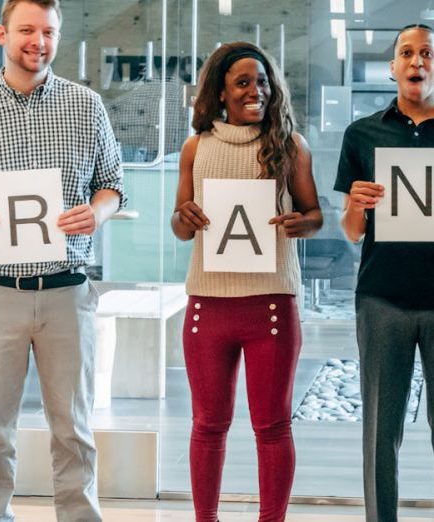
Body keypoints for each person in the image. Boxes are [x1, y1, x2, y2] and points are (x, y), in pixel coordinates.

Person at [0, 0, 125, 520]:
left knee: (73, 427)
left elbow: (112, 185)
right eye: (27, 29)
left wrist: (97, 213)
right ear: (2, 33)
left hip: (68, 291)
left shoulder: (86, 106)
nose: (38, 41)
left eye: (49, 31)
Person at [171, 42, 322, 522]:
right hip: (208, 306)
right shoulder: (196, 147)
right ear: (220, 91)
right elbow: (178, 227)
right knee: (207, 425)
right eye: (243, 82)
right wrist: (185, 216)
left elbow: (315, 214)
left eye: (262, 81)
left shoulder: (290, 144)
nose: (255, 90)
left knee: (273, 425)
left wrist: (303, 223)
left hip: (271, 305)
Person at [334, 23, 434, 522]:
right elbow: (352, 232)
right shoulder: (363, 134)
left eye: (427, 53)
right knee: (380, 433)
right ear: (393, 67)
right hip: (382, 299)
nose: (417, 61)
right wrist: (355, 204)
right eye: (407, 53)